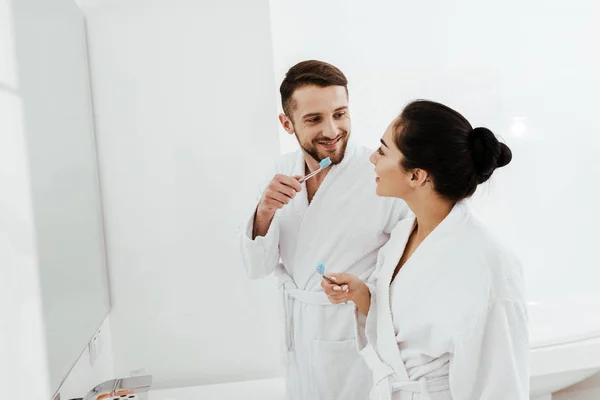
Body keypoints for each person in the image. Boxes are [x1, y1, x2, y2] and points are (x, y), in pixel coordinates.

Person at [323, 100, 529, 399]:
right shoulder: (403, 236)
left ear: (416, 175)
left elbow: (501, 387)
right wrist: (364, 295)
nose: (372, 158)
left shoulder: (489, 267)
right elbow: (404, 333)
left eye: (382, 150)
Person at [239, 60, 410, 400]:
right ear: (287, 124)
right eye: (314, 119)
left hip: (355, 337)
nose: (332, 130)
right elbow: (256, 267)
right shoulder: (280, 172)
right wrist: (264, 211)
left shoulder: (378, 172)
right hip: (299, 335)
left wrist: (364, 292)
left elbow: (409, 266)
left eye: (340, 113)